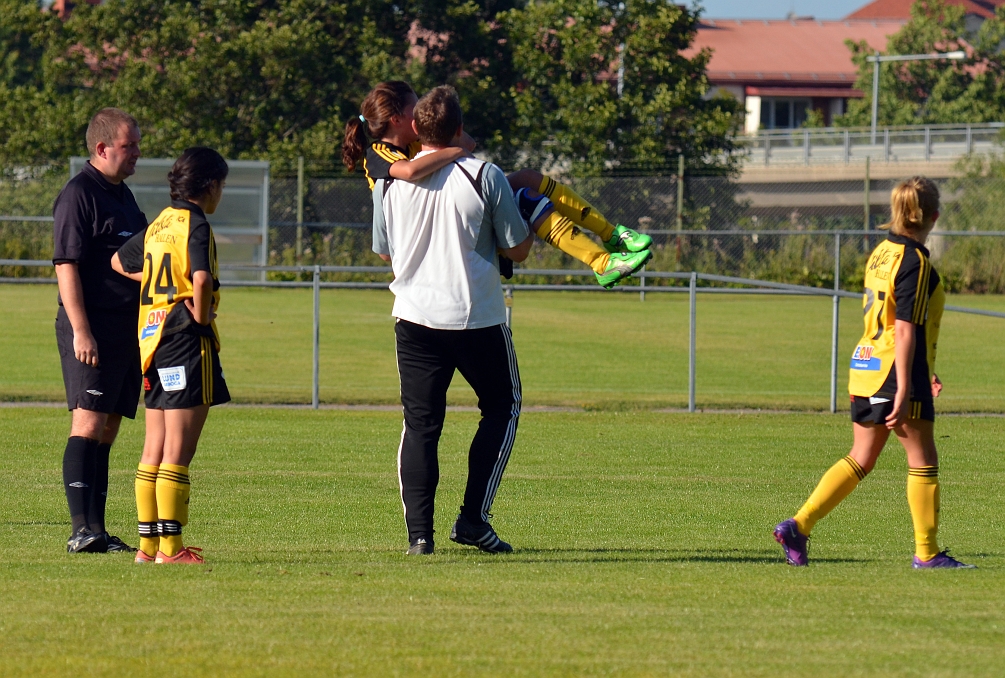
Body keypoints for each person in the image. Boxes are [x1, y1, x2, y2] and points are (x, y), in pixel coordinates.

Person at [773, 176, 974, 569]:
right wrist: (904, 387)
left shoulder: (881, 251)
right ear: (934, 215)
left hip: (866, 364)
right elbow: (904, 328)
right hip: (894, 372)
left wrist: (925, 370)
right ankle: (928, 553)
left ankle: (799, 525)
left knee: (862, 457)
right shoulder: (915, 260)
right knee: (923, 458)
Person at [372, 85, 533, 555]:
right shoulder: (485, 174)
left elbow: (385, 251)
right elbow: (517, 248)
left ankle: (419, 536)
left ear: (416, 130)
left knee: (421, 425)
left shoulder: (388, 181)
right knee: (502, 409)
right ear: (460, 129)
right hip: (475, 316)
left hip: (414, 316)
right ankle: (471, 520)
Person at [343, 81, 652, 289]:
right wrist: (453, 150)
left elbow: (467, 141)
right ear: (396, 119)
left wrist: (441, 122)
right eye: (415, 107)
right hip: (414, 233)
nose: (419, 111)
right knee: (528, 200)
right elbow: (410, 172)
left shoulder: (415, 139)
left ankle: (612, 237)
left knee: (529, 179)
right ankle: (600, 262)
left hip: (446, 207)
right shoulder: (380, 152)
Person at [111, 147, 231, 564]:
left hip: (152, 340)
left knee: (154, 446)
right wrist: (198, 310)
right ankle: (172, 549)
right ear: (210, 185)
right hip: (184, 339)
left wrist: (160, 287)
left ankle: (147, 547)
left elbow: (118, 262)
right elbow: (200, 278)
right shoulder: (195, 224)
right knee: (178, 450)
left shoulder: (160, 222)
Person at [52, 107, 146, 554]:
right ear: (102, 147)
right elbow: (66, 266)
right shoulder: (78, 194)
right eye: (129, 147)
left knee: (108, 428)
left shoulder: (123, 195)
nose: (136, 155)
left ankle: (98, 531)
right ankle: (79, 529)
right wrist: (81, 331)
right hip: (91, 328)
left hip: (126, 329)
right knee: (87, 422)